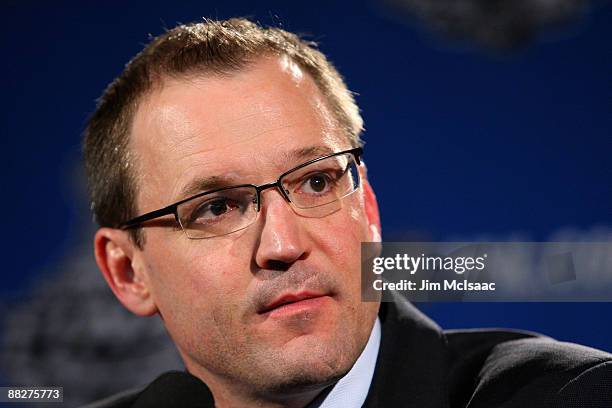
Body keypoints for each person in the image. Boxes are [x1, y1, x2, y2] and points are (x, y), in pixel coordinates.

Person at [82, 18, 611, 408]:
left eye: (316, 181)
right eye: (217, 207)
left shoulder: (567, 397)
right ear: (129, 272)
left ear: (369, 210)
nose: (283, 245)